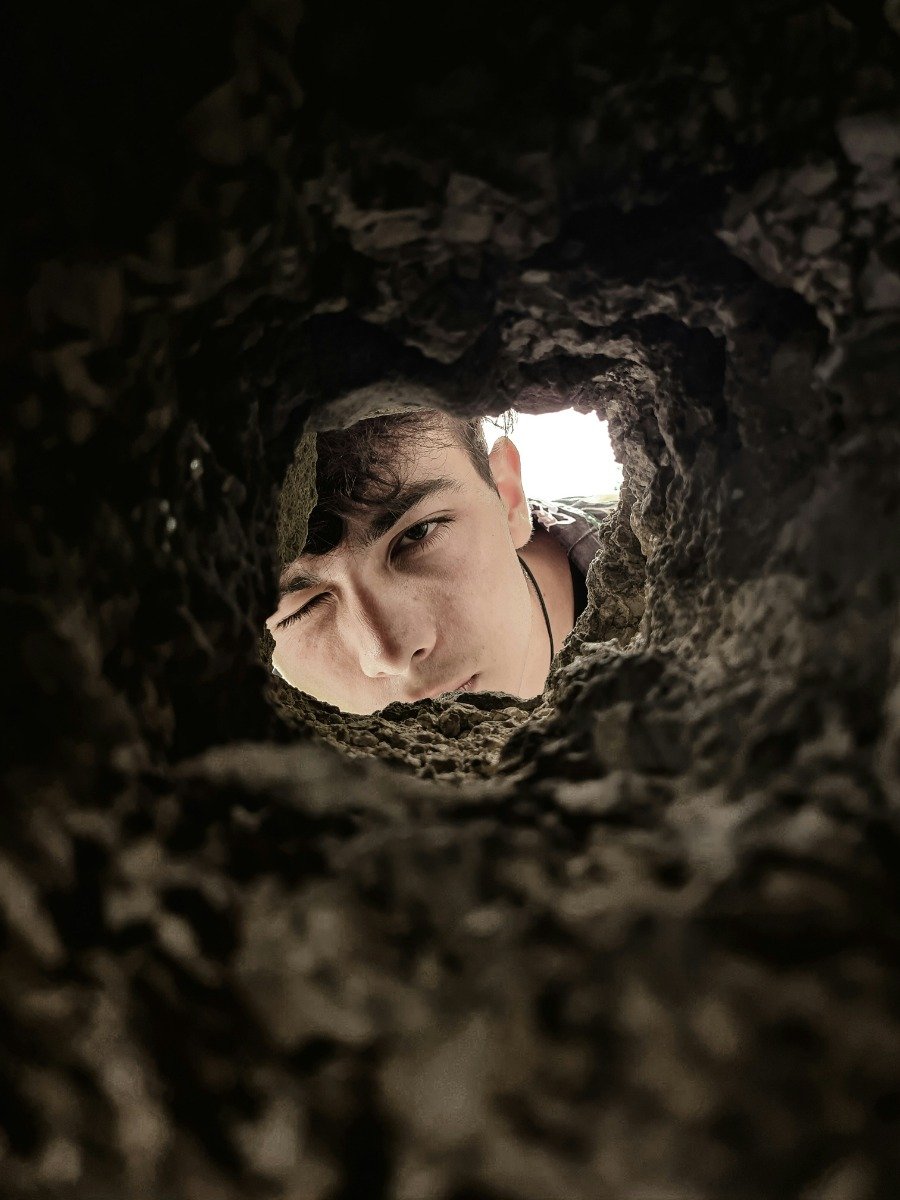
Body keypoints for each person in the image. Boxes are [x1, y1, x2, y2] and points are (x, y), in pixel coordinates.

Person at [266, 409, 612, 714]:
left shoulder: (658, 577)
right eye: (302, 608)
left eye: (417, 534)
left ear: (508, 496)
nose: (387, 653)